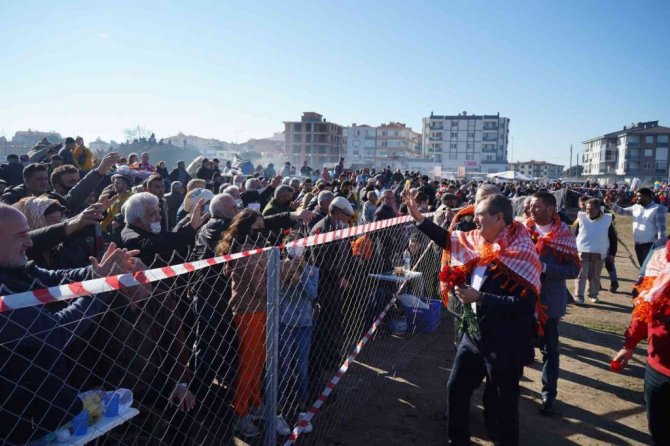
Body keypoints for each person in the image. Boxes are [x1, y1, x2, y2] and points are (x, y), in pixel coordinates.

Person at [405, 191, 542, 446]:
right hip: (474, 334)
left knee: (502, 406)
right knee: (456, 388)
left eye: (479, 215)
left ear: (498, 217)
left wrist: (481, 298)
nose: (474, 221)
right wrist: (419, 218)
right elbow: (448, 239)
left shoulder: (522, 252)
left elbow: (524, 306)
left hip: (505, 342)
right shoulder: (478, 241)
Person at [0, 204, 139, 444]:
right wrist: (100, 289)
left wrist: (97, 274)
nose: (30, 243)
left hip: (44, 410)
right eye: (21, 235)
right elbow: (56, 332)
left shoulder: (14, 269)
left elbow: (55, 279)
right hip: (16, 425)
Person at [216, 209, 291, 437]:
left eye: (262, 228)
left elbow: (270, 277)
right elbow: (262, 287)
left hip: (262, 309)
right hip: (249, 312)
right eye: (257, 228)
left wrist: (282, 270)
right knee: (249, 363)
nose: (262, 232)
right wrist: (287, 272)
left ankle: (255, 402)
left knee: (260, 361)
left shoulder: (258, 248)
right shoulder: (243, 252)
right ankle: (240, 412)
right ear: (245, 229)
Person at [527, 191, 580, 416]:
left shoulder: (564, 234)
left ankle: (549, 393)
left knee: (549, 349)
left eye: (536, 206)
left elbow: (574, 270)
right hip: (522, 299)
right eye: (530, 205)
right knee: (518, 343)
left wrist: (546, 268)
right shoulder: (522, 230)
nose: (531, 210)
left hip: (549, 301)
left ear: (551, 209)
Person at [612, 242, 670, 445]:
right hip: (658, 368)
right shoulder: (660, 258)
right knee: (659, 430)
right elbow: (645, 307)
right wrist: (629, 345)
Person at [278, 252, 318, 434]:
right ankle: (277, 412)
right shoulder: (280, 267)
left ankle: (302, 411)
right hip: (285, 324)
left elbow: (312, 294)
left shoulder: (313, 270)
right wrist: (288, 271)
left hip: (304, 325)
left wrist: (301, 273)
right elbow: (278, 295)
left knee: (302, 370)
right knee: (283, 368)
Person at [120, 192, 209, 266]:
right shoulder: (132, 237)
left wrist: (188, 223)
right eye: (152, 214)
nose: (159, 217)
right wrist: (190, 227)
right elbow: (158, 245)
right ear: (138, 221)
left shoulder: (140, 229)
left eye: (158, 212)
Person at [605, 187, 667, 267]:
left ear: (647, 197)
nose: (636, 198)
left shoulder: (657, 208)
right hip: (638, 245)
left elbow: (661, 228)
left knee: (648, 268)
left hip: (651, 245)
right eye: (636, 196)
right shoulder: (636, 207)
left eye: (639, 196)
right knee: (643, 267)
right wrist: (610, 204)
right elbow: (622, 211)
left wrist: (660, 246)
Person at [573, 198, 617, 304]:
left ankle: (593, 295)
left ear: (598, 209)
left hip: (599, 252)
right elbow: (575, 234)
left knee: (595, 275)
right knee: (581, 275)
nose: (589, 211)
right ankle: (579, 296)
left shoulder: (607, 220)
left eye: (592, 209)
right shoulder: (581, 218)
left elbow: (613, 238)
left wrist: (612, 253)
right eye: (587, 208)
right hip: (582, 251)